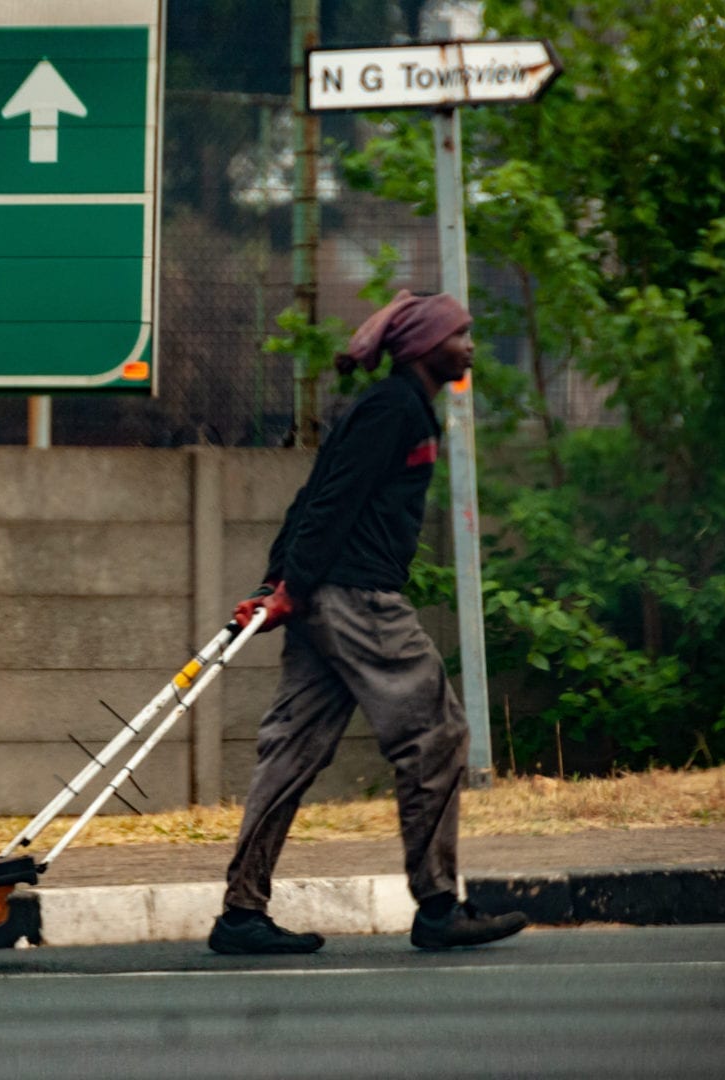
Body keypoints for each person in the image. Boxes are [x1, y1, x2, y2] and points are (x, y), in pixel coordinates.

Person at [209, 289, 529, 955]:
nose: (469, 346)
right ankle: (439, 907)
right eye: (459, 335)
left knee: (291, 750)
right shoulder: (394, 409)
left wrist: (282, 583)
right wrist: (285, 584)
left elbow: (314, 493)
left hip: (324, 592)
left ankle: (240, 913)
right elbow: (331, 499)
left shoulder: (388, 407)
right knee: (437, 734)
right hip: (357, 598)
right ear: (421, 347)